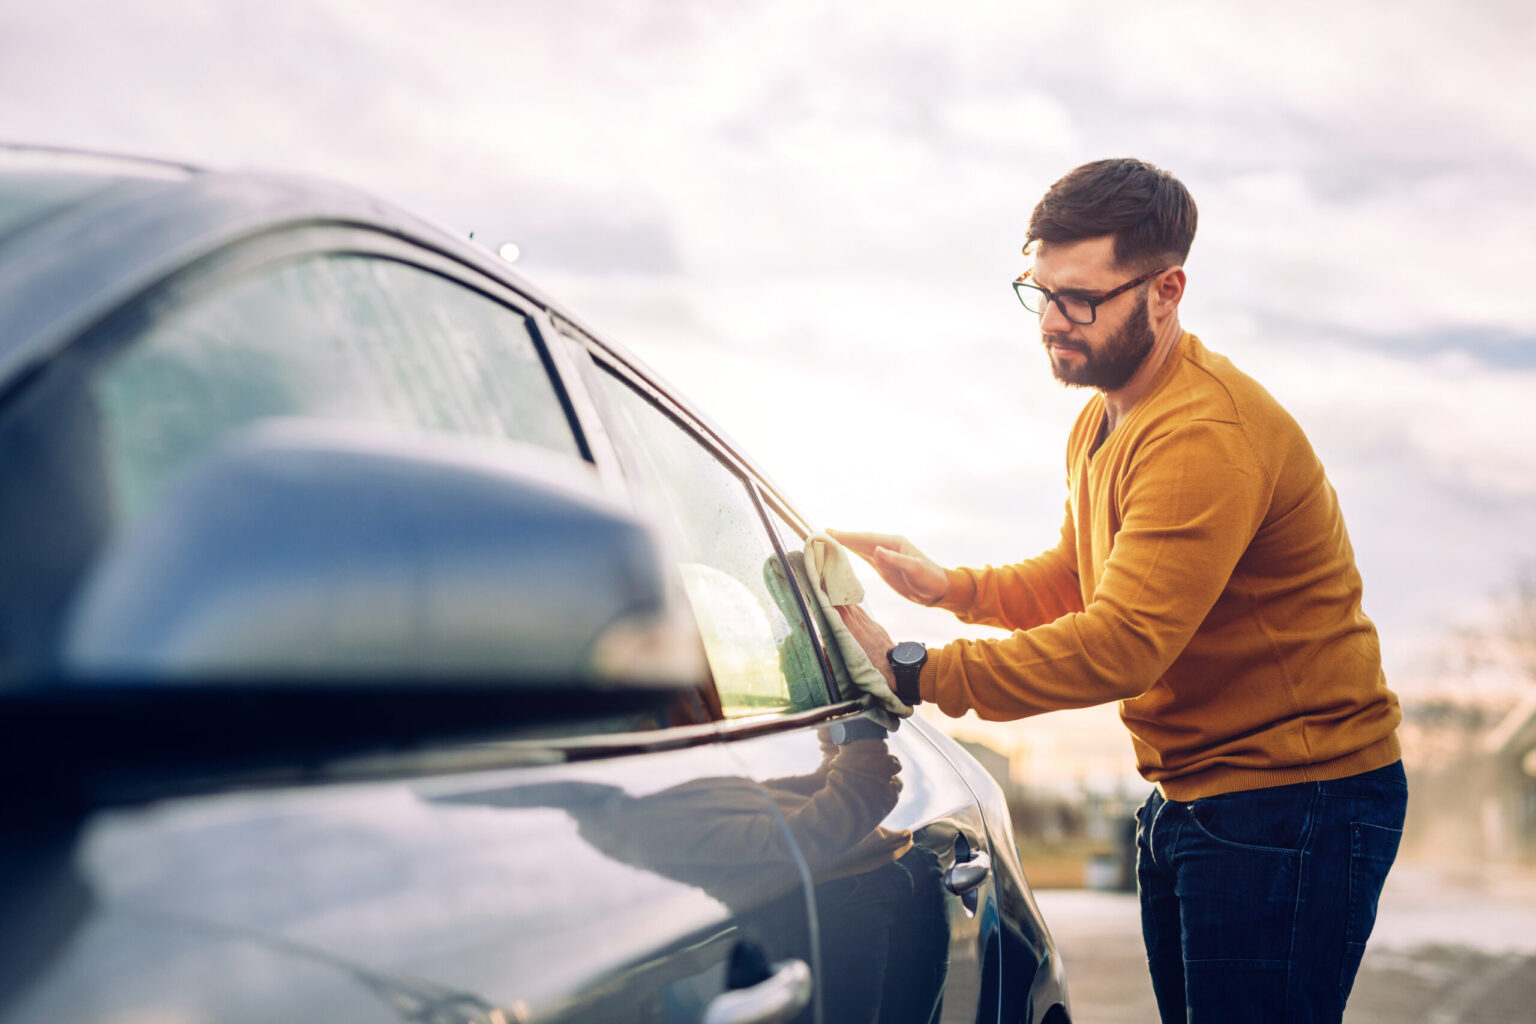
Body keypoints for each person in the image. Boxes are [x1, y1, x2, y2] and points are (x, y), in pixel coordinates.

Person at [830, 157, 1406, 1024]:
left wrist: (918, 672)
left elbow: (1122, 645)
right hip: (1199, 792)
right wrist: (949, 585)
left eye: (1081, 300)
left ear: (1166, 290)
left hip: (1293, 802)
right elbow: (1079, 576)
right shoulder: (1104, 416)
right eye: (1040, 292)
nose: (1053, 324)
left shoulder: (1201, 434)